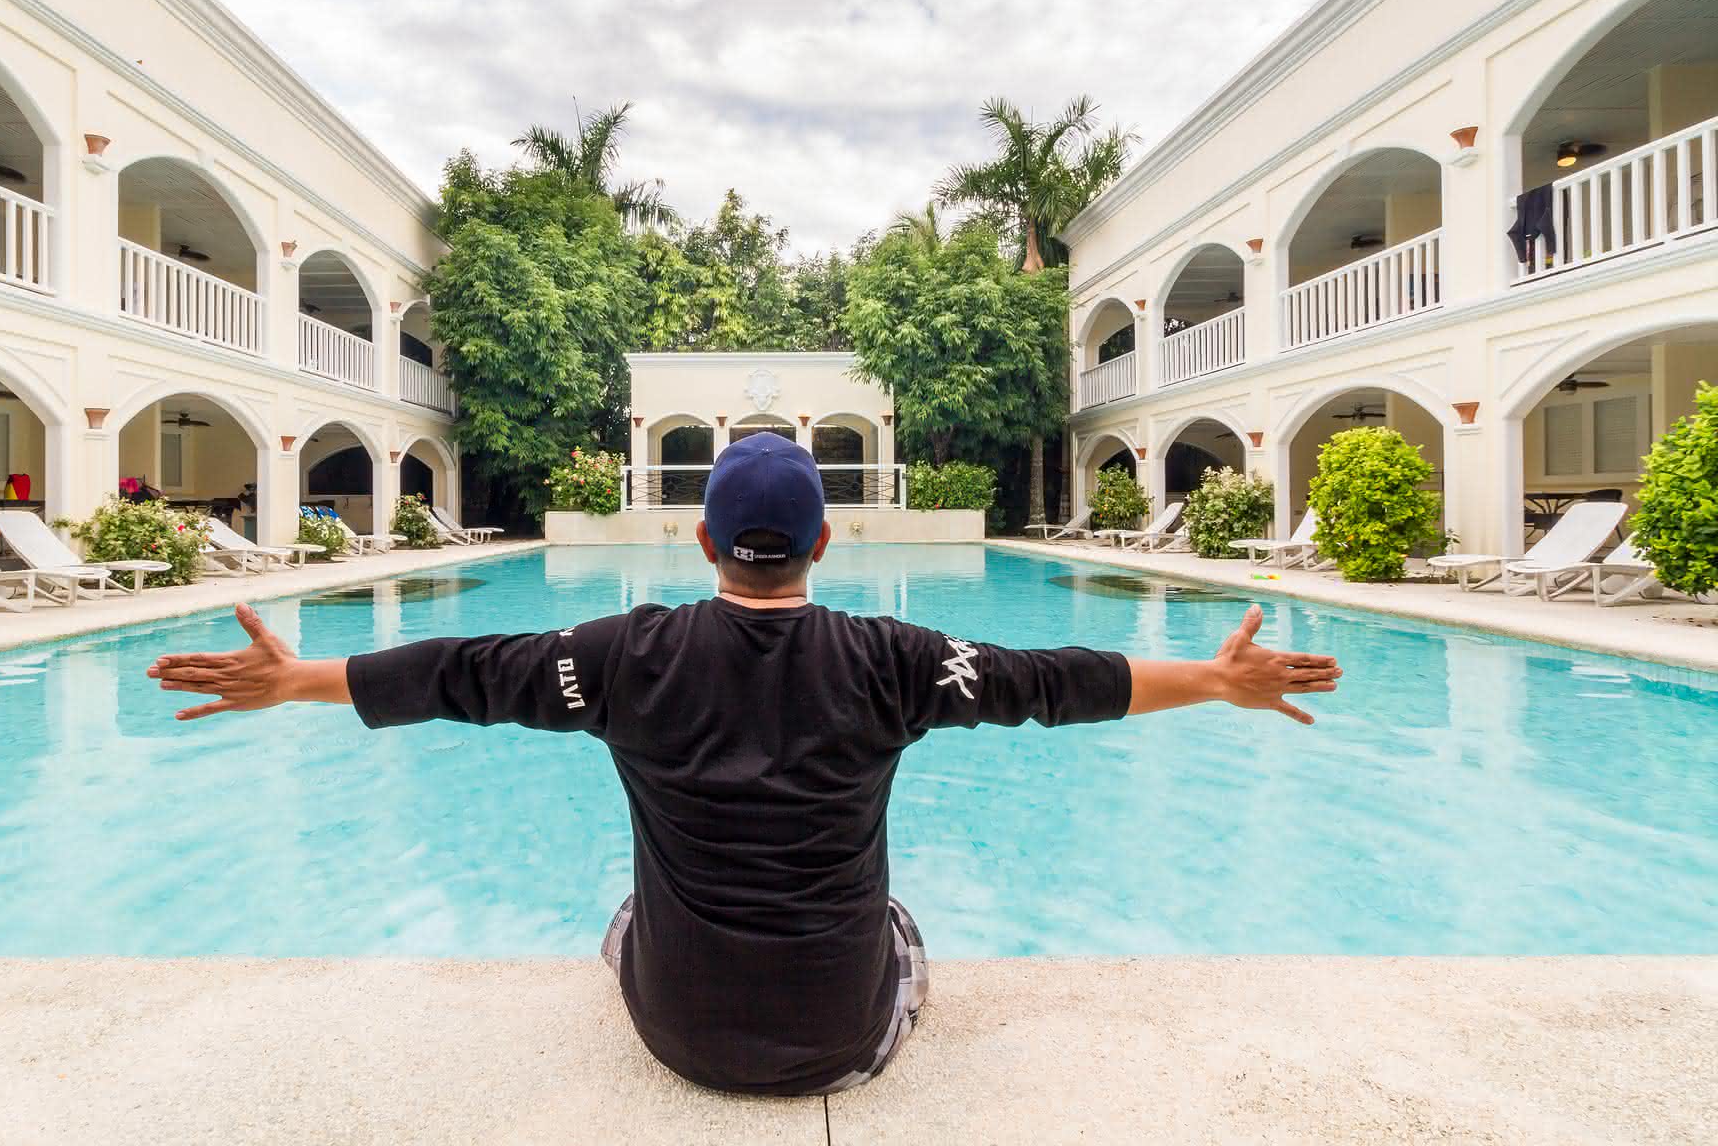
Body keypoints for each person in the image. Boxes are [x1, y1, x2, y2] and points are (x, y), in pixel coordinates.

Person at [147, 433, 1341, 1096]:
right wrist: (1217, 679)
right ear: (825, 539)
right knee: (905, 919)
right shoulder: (896, 659)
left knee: (623, 912)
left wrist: (300, 677)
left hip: (674, 1030)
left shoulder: (624, 654)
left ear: (704, 537)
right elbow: (1054, 684)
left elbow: (470, 670)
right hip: (844, 1044)